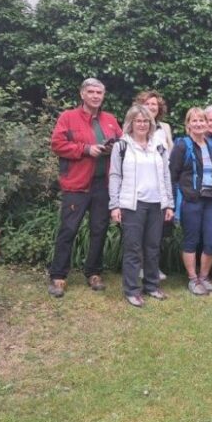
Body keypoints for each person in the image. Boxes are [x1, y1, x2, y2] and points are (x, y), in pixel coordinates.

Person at [47, 78, 123, 298]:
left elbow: (122, 142)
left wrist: (113, 148)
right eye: (91, 92)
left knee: (99, 230)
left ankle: (93, 272)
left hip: (103, 184)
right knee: (69, 229)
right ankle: (58, 276)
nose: (95, 96)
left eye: (99, 92)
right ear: (82, 94)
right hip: (77, 184)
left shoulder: (110, 120)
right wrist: (86, 149)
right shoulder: (68, 117)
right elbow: (57, 144)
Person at [108, 105, 174, 307]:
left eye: (146, 121)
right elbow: (115, 175)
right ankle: (131, 290)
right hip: (132, 205)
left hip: (157, 204)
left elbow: (165, 175)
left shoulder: (159, 146)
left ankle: (152, 286)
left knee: (153, 247)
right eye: (138, 120)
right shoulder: (121, 146)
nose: (142, 124)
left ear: (151, 124)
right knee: (133, 248)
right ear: (131, 123)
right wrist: (115, 205)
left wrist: (169, 203)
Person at [171, 107, 212, 296]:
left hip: (210, 201)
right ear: (188, 124)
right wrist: (174, 201)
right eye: (195, 121)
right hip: (190, 200)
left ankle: (204, 277)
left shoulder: (210, 145)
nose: (199, 124)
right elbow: (173, 174)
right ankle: (193, 279)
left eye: (202, 120)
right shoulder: (182, 145)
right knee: (191, 240)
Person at [135, 89, 173, 280]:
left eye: (154, 105)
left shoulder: (164, 128)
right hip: (140, 185)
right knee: (140, 229)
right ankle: (140, 267)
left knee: (157, 232)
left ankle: (153, 267)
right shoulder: (134, 128)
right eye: (147, 104)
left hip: (161, 185)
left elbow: (170, 153)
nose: (151, 107)